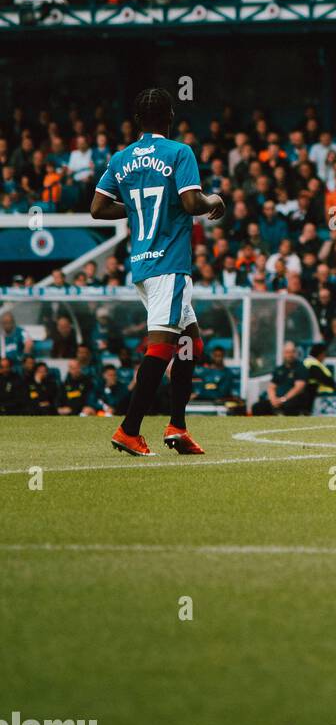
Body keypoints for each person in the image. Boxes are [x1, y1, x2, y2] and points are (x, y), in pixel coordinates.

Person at [91, 87, 225, 456]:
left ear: (137, 121)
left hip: (142, 263)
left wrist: (134, 210)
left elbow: (98, 209)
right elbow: (192, 202)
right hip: (170, 263)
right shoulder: (179, 152)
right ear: (170, 118)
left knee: (189, 345)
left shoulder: (121, 159)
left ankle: (177, 426)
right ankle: (129, 429)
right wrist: (215, 200)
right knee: (162, 347)